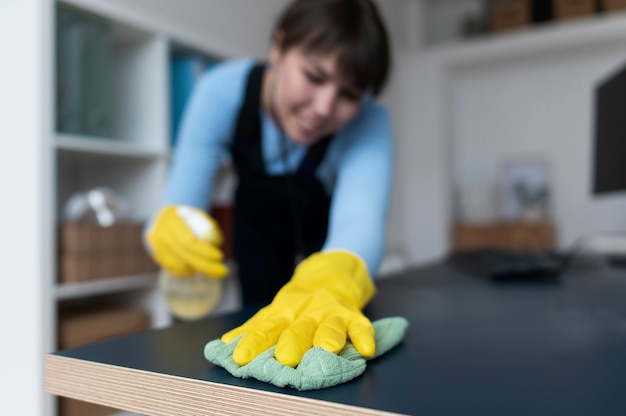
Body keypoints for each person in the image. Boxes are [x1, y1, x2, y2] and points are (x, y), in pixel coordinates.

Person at [145, 0, 393, 368]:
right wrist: (168, 229)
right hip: (256, 237)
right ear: (278, 48)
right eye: (314, 76)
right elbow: (179, 204)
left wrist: (336, 279)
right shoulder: (220, 92)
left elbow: (361, 218)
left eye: (349, 94)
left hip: (329, 246)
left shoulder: (369, 121)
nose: (325, 108)